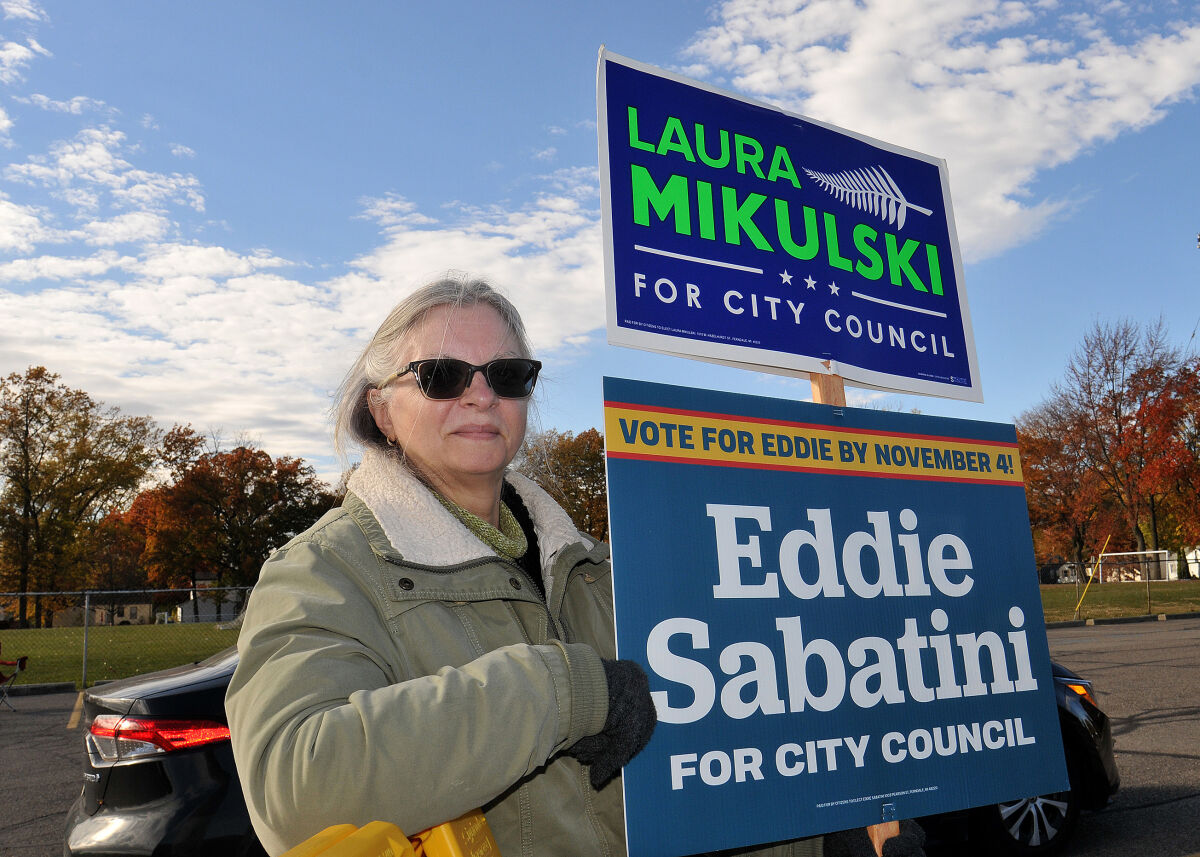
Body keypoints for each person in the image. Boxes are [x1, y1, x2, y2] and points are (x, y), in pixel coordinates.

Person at [225, 273, 923, 857]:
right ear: (380, 409)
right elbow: (295, 787)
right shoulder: (325, 569)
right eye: (441, 375)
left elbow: (705, 761)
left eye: (506, 374)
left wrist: (827, 834)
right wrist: (564, 692)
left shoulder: (600, 566)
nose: (480, 393)